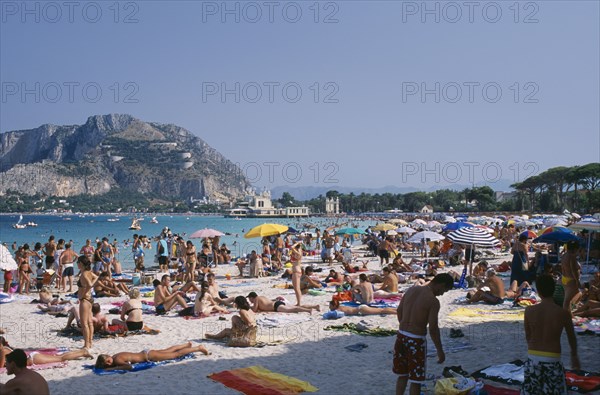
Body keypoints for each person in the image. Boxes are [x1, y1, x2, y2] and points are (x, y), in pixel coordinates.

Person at [394, 273, 454, 395]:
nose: (442, 294)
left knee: (402, 375)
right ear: (441, 285)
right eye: (444, 290)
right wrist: (440, 350)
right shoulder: (433, 301)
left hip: (401, 337)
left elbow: (399, 311)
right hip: (416, 340)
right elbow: (433, 329)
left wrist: (406, 326)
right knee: (416, 380)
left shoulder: (412, 289)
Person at [522, 274, 580, 395]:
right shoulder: (563, 313)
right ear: (553, 289)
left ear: (538, 291)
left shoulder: (529, 311)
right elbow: (571, 337)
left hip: (533, 357)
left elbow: (528, 336)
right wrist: (574, 356)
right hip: (552, 358)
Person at [94, 342, 210, 371]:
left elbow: (128, 367)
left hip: (149, 356)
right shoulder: (115, 356)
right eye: (107, 364)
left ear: (109, 357)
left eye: (108, 361)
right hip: (146, 352)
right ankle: (186, 344)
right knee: (168, 350)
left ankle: (198, 348)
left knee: (175, 355)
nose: (109, 363)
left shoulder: (117, 360)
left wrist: (111, 368)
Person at [77, 256, 98, 351]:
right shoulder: (89, 272)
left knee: (84, 323)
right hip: (90, 299)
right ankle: (90, 342)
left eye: (78, 262)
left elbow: (90, 284)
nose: (77, 264)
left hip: (85, 299)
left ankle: (86, 344)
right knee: (89, 322)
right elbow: (96, 277)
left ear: (81, 263)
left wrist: (83, 294)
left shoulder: (84, 274)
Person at [247, 292, 319, 314]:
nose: (250, 301)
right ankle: (315, 306)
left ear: (251, 297)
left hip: (276, 306)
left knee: (292, 309)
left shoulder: (256, 299)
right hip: (277, 303)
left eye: (249, 299)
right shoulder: (262, 297)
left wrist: (249, 307)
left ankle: (308, 310)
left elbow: (254, 310)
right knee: (294, 306)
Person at [561, 241, 582, 314]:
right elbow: (574, 270)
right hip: (571, 279)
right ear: (575, 249)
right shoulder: (571, 256)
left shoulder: (564, 255)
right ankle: (565, 317)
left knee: (579, 294)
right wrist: (577, 281)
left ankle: (573, 311)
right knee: (567, 301)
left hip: (565, 278)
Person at [329, 299, 396, 315]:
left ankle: (396, 312)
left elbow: (330, 315)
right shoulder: (341, 306)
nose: (329, 308)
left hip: (361, 310)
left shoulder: (337, 310)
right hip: (361, 308)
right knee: (381, 309)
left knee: (381, 310)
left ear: (334, 306)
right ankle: (396, 310)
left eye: (330, 306)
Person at [290, 241, 304, 306]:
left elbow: (291, 247)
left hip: (296, 271)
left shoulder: (298, 253)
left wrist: (297, 243)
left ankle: (299, 303)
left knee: (297, 288)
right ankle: (299, 302)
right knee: (296, 288)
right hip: (296, 271)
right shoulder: (297, 253)